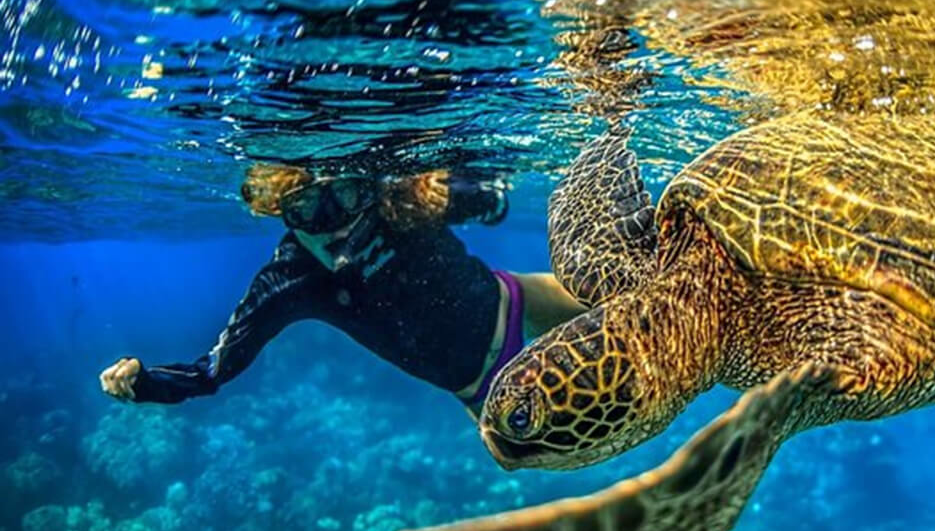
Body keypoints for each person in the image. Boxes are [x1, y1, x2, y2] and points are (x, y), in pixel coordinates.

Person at [98, 163, 584, 416]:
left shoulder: (402, 201)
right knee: (556, 450)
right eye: (306, 209)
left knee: (638, 322)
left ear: (365, 190)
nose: (332, 224)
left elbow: (494, 202)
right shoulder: (294, 278)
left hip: (515, 299)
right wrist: (147, 385)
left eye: (347, 197)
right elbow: (211, 371)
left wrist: (465, 194)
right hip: (484, 390)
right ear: (280, 213)